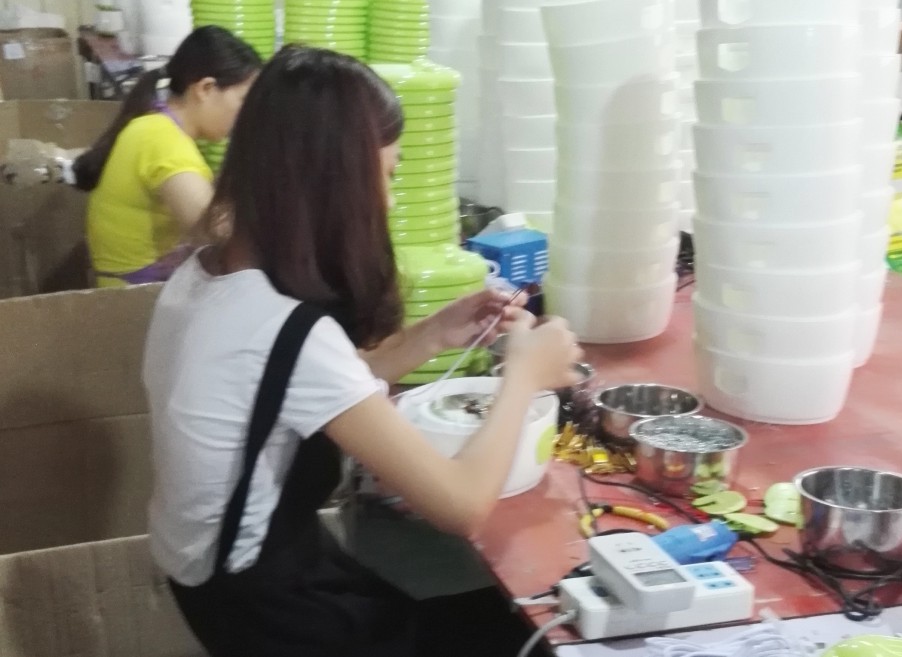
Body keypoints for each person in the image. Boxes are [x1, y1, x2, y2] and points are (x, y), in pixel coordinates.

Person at [143, 46, 581, 657]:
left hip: (221, 586)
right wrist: (525, 376)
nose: (390, 201)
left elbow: (299, 388)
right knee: (540, 627)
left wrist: (433, 334)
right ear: (335, 184)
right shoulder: (282, 325)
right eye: (388, 176)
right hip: (270, 614)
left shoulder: (204, 277)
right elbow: (461, 506)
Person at [74, 26, 261, 287]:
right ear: (206, 88)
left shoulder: (153, 124)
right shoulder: (165, 143)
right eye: (243, 100)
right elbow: (217, 235)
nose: (248, 115)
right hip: (134, 299)